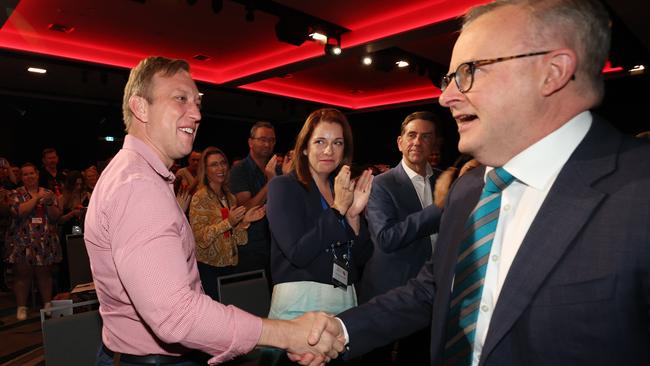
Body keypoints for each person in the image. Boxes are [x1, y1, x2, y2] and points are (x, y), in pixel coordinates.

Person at [297, 1, 650, 365]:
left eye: (468, 72)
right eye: (448, 79)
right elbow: (434, 289)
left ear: (553, 72)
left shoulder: (639, 193)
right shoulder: (468, 190)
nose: (445, 97)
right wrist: (343, 329)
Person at [84, 56, 343, 366]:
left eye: (197, 103)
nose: (195, 114)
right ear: (141, 108)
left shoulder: (138, 175)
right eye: (180, 99)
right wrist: (287, 333)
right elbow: (175, 314)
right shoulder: (138, 185)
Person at [267, 108, 373, 365]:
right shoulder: (284, 187)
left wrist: (353, 215)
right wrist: (338, 210)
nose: (329, 151)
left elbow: (360, 258)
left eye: (337, 143)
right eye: (320, 142)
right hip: (300, 308)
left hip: (344, 302)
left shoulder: (343, 189)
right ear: (304, 147)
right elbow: (298, 253)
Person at [358, 111, 443, 365]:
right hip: (389, 290)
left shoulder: (445, 180)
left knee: (418, 357)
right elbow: (386, 238)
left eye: (425, 137)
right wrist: (438, 209)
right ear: (400, 141)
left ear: (433, 144)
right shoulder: (382, 184)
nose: (417, 142)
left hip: (431, 290)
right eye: (412, 135)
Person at [189, 146, 265, 301]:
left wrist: (244, 223)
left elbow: (238, 240)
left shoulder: (230, 197)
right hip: (209, 268)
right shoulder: (200, 198)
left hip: (231, 267)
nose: (220, 168)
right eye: (214, 164)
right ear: (205, 169)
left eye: (223, 163)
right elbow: (200, 239)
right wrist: (228, 222)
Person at [5, 163, 61, 320]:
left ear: (37, 174)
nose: (29, 177)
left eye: (31, 173)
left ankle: (48, 304)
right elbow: (19, 211)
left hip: (45, 240)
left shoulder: (48, 193)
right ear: (21, 177)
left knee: (45, 274)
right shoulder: (15, 193)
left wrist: (49, 202)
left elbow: (56, 216)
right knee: (22, 275)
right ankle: (22, 307)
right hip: (22, 241)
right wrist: (37, 197)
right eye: (25, 174)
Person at [228, 121, 278, 276]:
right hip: (251, 247)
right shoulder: (239, 170)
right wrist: (271, 183)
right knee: (254, 297)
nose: (267, 144)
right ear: (251, 142)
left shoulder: (277, 169)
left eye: (271, 140)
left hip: (276, 245)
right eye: (262, 139)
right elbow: (246, 209)